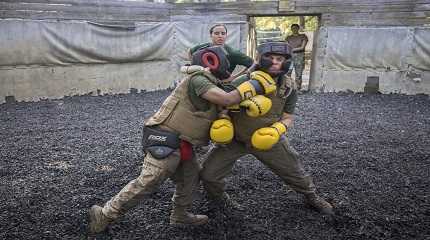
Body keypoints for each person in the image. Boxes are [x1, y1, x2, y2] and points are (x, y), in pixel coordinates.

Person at [88, 45, 276, 234]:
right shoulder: (198, 79)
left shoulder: (211, 82)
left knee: (190, 178)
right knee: (150, 180)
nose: (228, 63)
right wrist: (255, 85)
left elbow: (230, 85)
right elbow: (227, 98)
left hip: (184, 142)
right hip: (165, 137)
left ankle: (180, 216)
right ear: (211, 60)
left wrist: (254, 68)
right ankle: (105, 214)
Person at [200, 41, 334, 216]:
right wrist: (223, 119)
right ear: (260, 59)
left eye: (279, 58)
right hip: (235, 139)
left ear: (287, 61)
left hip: (268, 138)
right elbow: (221, 103)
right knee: (209, 174)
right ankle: (218, 199)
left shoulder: (288, 87)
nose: (275, 62)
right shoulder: (245, 81)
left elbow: (288, 117)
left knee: (295, 171)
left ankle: (311, 195)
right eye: (270, 58)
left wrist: (277, 130)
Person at [188, 24, 254, 82]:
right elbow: (190, 51)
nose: (220, 36)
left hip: (220, 85)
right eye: (216, 33)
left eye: (223, 33)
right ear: (211, 35)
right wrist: (193, 65)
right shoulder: (203, 47)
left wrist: (233, 78)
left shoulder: (232, 53)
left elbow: (253, 64)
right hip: (200, 81)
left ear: (226, 35)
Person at [285, 24, 308, 91]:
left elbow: (302, 47)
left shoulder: (303, 37)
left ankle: (298, 89)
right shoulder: (288, 38)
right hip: (289, 57)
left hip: (299, 57)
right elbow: (286, 46)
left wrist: (291, 49)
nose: (294, 29)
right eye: (292, 28)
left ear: (298, 29)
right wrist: (290, 50)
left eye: (295, 28)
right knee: (288, 72)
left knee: (299, 73)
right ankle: (288, 88)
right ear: (291, 29)